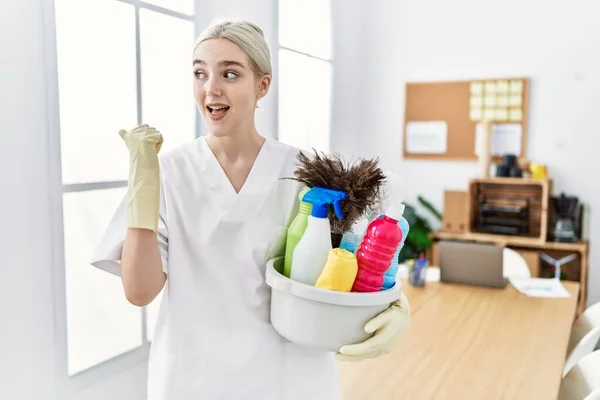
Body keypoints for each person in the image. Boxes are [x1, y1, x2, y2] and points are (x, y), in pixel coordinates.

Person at [91, 19, 410, 400]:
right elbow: (140, 292)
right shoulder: (167, 172)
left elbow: (357, 260)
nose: (211, 88)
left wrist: (395, 303)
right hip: (193, 378)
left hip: (290, 377)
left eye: (230, 73)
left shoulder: (304, 171)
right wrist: (142, 188)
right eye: (199, 73)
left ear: (263, 85)